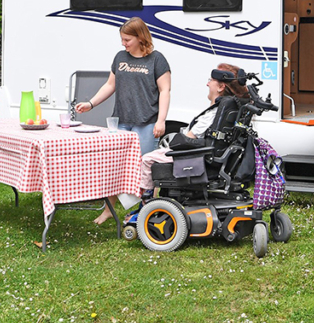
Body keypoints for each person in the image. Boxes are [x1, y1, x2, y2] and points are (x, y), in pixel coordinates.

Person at [75, 17, 171, 224]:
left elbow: (165, 91)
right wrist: (90, 104)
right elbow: (110, 85)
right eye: (122, 39)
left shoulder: (156, 59)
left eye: (127, 39)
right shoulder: (120, 57)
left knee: (145, 169)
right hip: (121, 121)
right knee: (114, 167)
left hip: (146, 122)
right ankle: (109, 210)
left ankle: (146, 212)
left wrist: (161, 121)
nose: (123, 43)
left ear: (140, 37)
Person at [136, 63, 249, 196]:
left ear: (221, 87)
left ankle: (145, 201)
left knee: (147, 159)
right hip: (207, 155)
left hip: (196, 156)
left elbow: (189, 138)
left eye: (211, 81)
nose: (207, 84)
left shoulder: (213, 114)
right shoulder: (227, 109)